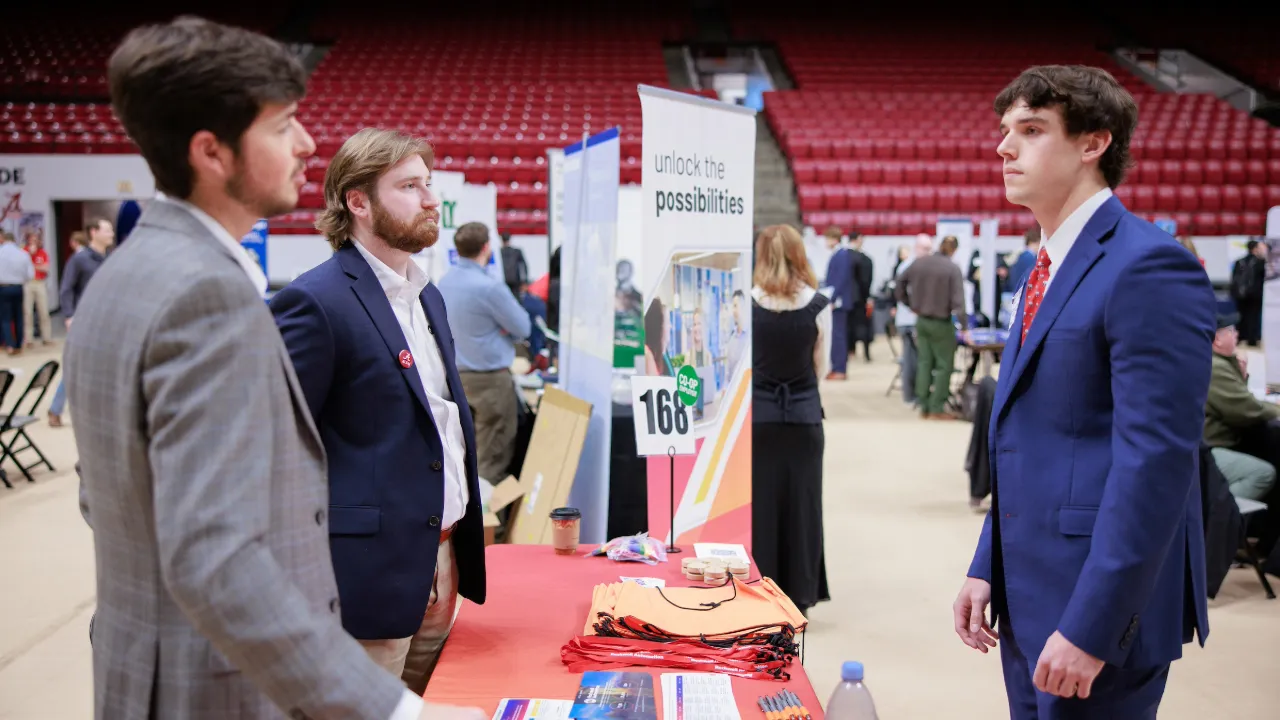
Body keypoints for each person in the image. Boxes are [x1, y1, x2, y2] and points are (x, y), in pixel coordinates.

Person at [67, 16, 482, 720]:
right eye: (283, 124)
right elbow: (215, 558)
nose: (307, 143)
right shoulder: (206, 295)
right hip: (213, 682)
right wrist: (396, 710)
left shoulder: (129, 272)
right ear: (211, 151)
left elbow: (113, 494)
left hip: (153, 666)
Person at [953, 65, 1215, 719]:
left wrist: (1095, 626)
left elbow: (1156, 465)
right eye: (1006, 130)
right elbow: (1030, 437)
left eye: (1031, 130)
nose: (1003, 147)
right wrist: (988, 564)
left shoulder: (1148, 264)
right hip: (1028, 586)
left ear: (1093, 143)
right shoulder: (1045, 266)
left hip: (1096, 609)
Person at [269, 128, 487, 694]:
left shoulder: (427, 295)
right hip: (365, 578)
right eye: (410, 186)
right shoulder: (316, 302)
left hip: (441, 561)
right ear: (358, 202)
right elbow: (275, 449)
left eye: (428, 184)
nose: (431, 199)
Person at [750, 224, 831, 615]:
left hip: (759, 421)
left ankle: (760, 587)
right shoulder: (819, 305)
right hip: (803, 419)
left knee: (761, 506)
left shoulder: (747, 303)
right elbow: (821, 367)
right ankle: (799, 593)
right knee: (803, 507)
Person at [437, 221, 531, 483]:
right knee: (492, 455)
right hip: (490, 380)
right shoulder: (489, 287)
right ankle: (488, 510)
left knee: (463, 453)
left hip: (456, 377)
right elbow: (522, 327)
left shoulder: (444, 283)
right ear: (487, 247)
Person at [894, 235, 967, 420]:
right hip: (942, 322)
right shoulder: (952, 268)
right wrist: (965, 326)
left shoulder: (919, 263)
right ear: (954, 250)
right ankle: (937, 406)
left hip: (921, 320)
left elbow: (898, 285)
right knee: (944, 365)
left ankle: (924, 404)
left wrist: (910, 304)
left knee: (924, 362)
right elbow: (959, 302)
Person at [46, 230, 86, 427]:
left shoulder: (104, 259)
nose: (111, 233)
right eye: (107, 230)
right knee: (75, 367)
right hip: (82, 322)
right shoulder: (78, 260)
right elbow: (66, 289)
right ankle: (56, 408)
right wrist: (69, 315)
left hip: (99, 323)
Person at [821, 225, 853, 380]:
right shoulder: (837, 254)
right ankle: (836, 366)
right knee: (835, 334)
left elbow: (841, 279)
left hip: (838, 300)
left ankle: (840, 368)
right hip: (836, 298)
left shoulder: (842, 255)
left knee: (838, 335)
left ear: (834, 239)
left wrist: (832, 298)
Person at [0, 231, 33, 355]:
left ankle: (10, 344)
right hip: (18, 287)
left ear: (3, 239)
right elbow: (30, 274)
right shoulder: (23, 253)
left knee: (5, 317)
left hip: (3, 287)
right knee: (19, 316)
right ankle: (19, 344)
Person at [1231, 239, 1267, 347]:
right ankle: (1252, 339)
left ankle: (1240, 337)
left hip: (1240, 294)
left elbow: (1234, 278)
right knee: (1253, 316)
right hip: (1255, 295)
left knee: (1241, 315)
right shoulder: (1260, 263)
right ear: (1255, 249)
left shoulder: (1239, 262)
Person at [22, 229, 52, 346]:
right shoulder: (24, 252)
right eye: (32, 240)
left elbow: (46, 268)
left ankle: (47, 338)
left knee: (43, 311)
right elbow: (22, 268)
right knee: (27, 312)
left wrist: (33, 265)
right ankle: (28, 339)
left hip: (40, 283)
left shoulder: (42, 253)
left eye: (36, 240)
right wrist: (31, 256)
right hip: (28, 283)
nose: (34, 242)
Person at [643, 298, 675, 376]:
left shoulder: (664, 354)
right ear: (659, 326)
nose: (670, 326)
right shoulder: (647, 354)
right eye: (667, 322)